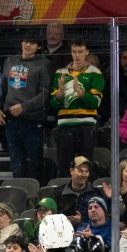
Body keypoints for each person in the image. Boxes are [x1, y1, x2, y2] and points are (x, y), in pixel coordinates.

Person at [0, 30, 51, 183]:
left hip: (33, 121)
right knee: (17, 165)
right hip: (11, 121)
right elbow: (1, 88)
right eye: (26, 41)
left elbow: (45, 94)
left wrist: (24, 107)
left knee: (34, 165)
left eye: (32, 43)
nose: (28, 45)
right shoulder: (9, 61)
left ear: (39, 47)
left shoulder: (43, 63)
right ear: (21, 42)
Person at [50, 39, 104, 179]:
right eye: (74, 51)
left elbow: (96, 102)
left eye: (80, 52)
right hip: (64, 125)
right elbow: (54, 105)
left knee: (86, 165)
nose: (77, 55)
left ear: (87, 52)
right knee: (64, 166)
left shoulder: (95, 73)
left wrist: (81, 93)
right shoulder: (60, 73)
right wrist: (60, 93)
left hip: (86, 126)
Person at [57, 155, 105, 225]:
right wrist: (66, 220)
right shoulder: (59, 193)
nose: (84, 175)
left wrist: (82, 221)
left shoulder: (96, 193)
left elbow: (102, 219)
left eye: (87, 171)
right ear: (71, 171)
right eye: (80, 171)